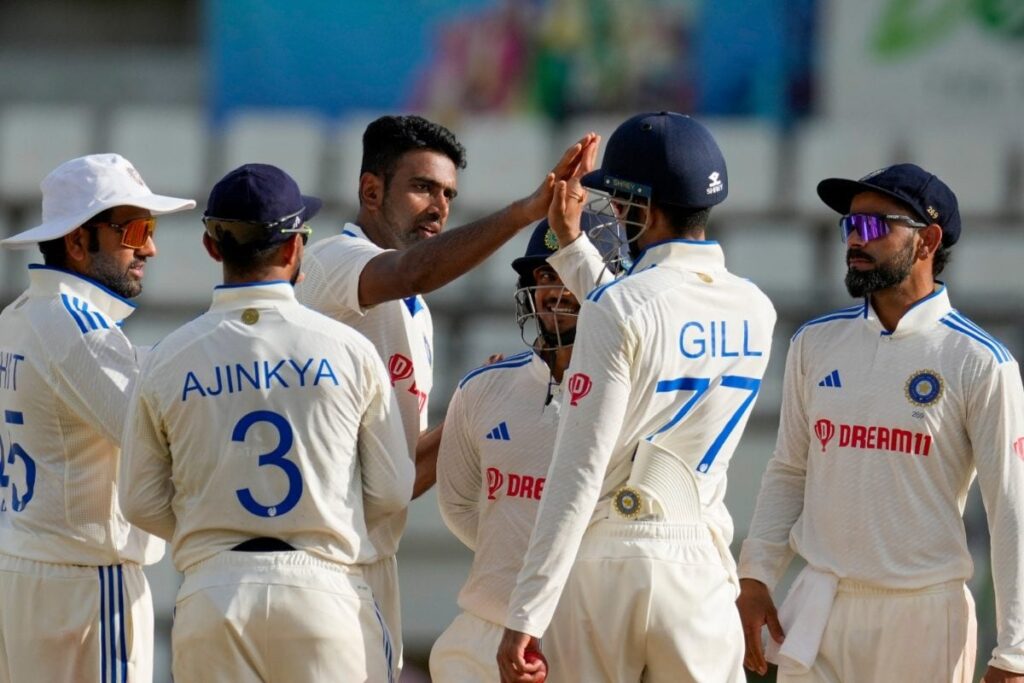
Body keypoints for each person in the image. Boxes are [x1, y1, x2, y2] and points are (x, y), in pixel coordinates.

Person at [295, 114, 595, 677]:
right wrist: (525, 212)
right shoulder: (333, 261)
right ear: (371, 191)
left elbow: (398, 475)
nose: (439, 206)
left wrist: (473, 410)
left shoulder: (416, 313)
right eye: (422, 188)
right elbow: (412, 272)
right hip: (314, 558)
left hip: (366, 556)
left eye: (449, 194)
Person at [497, 111, 778, 683]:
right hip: (699, 571)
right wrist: (571, 246)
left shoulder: (620, 307)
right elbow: (645, 316)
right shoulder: (757, 308)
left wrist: (528, 610)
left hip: (609, 563)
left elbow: (579, 469)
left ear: (638, 206)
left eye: (618, 201)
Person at [118, 164, 415, 681]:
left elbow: (139, 501)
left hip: (213, 594)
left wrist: (212, 528)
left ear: (211, 247)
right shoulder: (349, 349)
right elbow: (391, 491)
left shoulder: (167, 358)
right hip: (323, 590)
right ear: (295, 247)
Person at [736, 163, 1024, 683]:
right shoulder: (815, 342)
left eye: (873, 225)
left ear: (927, 240)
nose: (855, 239)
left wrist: (1015, 652)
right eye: (849, 225)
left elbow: (1010, 507)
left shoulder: (979, 360)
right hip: (821, 603)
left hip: (922, 615)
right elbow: (790, 470)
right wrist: (755, 576)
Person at [0, 153, 194, 682]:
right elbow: (162, 437)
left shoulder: (17, 316)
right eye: (134, 230)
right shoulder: (78, 326)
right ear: (77, 242)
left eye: (150, 230)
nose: (149, 248)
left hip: (24, 572)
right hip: (85, 584)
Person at [430, 215, 595, 681]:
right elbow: (459, 505)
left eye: (571, 274)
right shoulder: (484, 386)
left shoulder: (632, 398)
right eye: (546, 275)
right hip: (484, 628)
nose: (558, 291)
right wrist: (518, 552)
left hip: (583, 632)